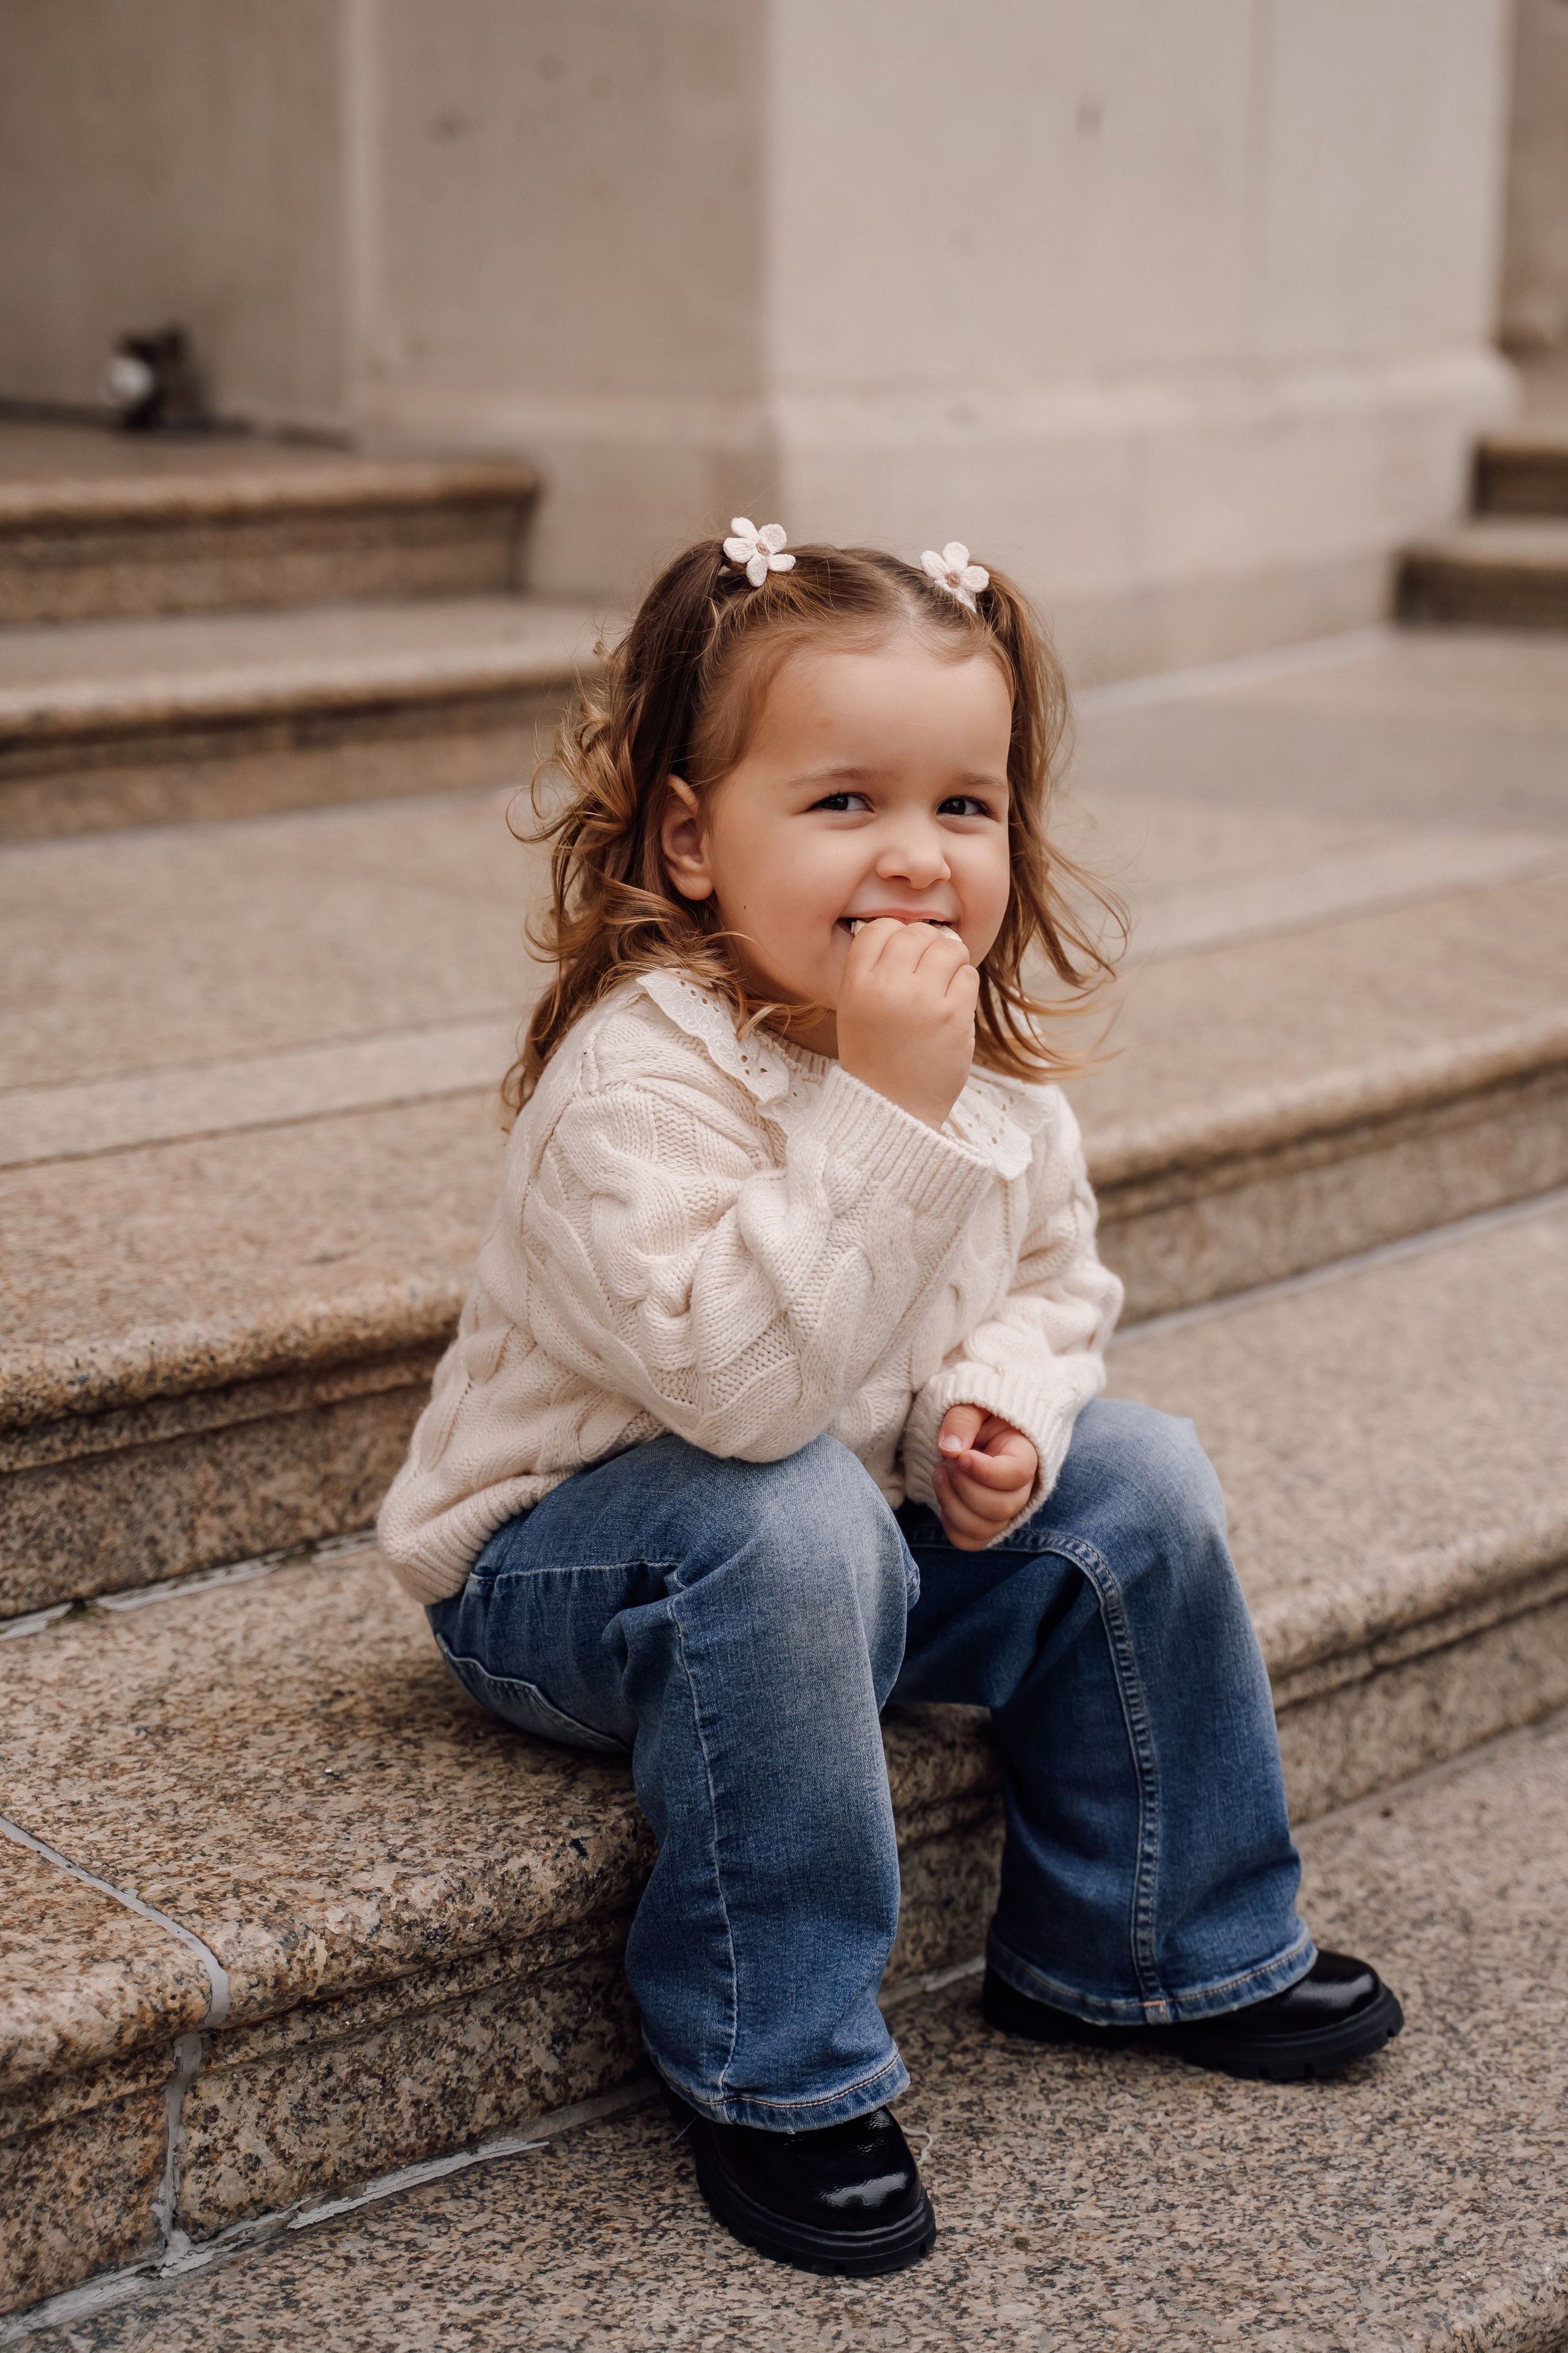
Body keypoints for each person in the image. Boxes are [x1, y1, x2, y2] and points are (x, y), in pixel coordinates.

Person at [376, 523, 1403, 2279]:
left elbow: (1051, 1286)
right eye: (845, 801)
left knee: (1139, 1476)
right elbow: (740, 1396)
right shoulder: (638, 1085)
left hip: (842, 1528)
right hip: (572, 1569)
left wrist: (989, 1410)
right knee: (789, 1516)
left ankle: (1148, 1940)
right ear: (692, 840)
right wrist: (886, 1107)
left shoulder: (978, 1068)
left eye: (965, 806)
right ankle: (774, 2057)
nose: (917, 857)